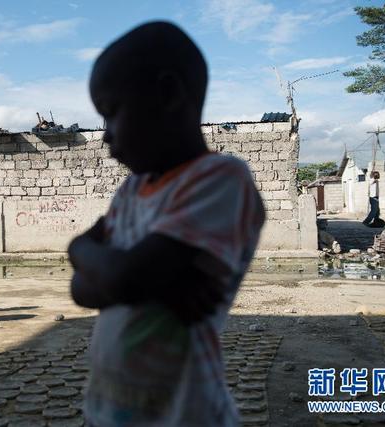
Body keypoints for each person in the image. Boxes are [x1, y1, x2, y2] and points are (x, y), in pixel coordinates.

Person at [67, 21, 265, 426]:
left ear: (168, 94)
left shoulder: (220, 178)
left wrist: (88, 255)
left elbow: (121, 280)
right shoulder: (130, 191)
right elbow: (81, 291)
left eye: (111, 113)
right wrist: (87, 256)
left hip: (185, 413)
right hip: (105, 409)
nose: (104, 136)